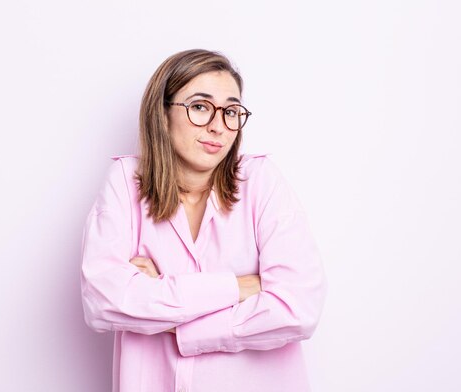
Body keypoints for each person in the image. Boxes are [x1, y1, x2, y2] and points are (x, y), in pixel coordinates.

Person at [80, 49, 327, 392]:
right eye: (199, 106)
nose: (217, 126)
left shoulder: (261, 181)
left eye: (230, 111)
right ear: (162, 114)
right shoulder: (125, 181)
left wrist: (173, 322)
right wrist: (239, 287)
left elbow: (297, 309)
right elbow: (103, 300)